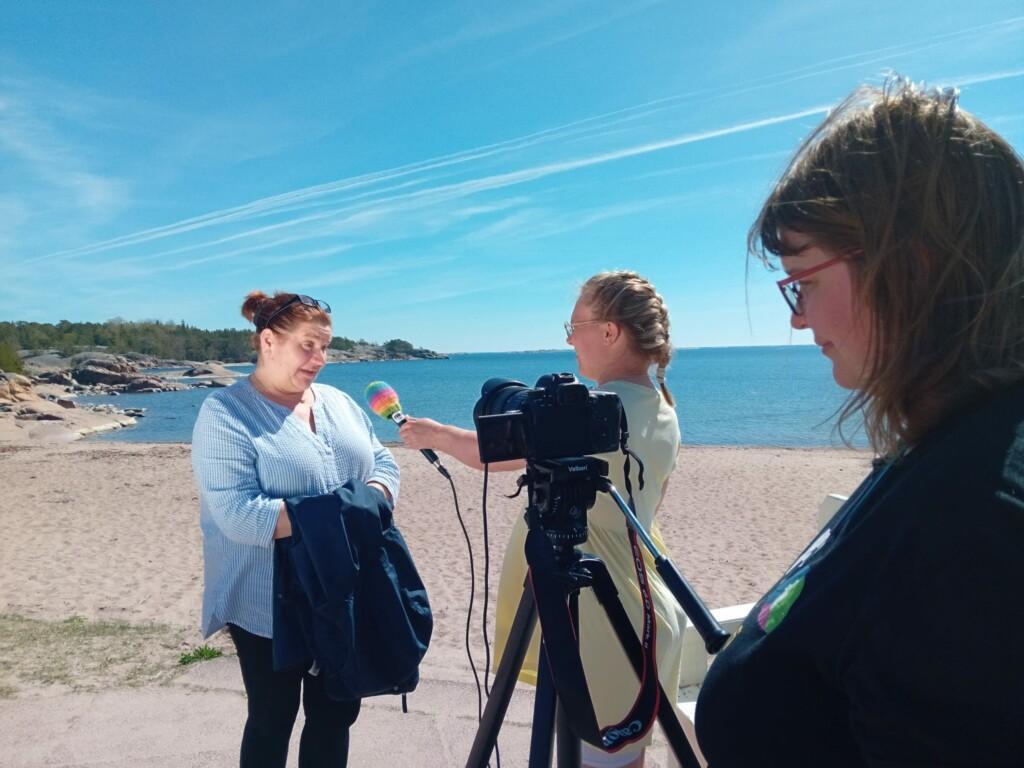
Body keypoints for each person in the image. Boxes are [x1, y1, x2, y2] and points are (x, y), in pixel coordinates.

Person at [695, 78, 1024, 765]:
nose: (797, 316)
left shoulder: (975, 523)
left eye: (805, 282)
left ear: (911, 264)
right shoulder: (950, 447)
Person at [399, 270, 689, 768]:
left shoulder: (598, 412)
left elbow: (490, 453)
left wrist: (438, 434)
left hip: (597, 624)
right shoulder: (657, 405)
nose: (570, 340)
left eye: (574, 326)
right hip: (634, 606)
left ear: (611, 331)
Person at [191, 291, 400, 768]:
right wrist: (350, 512)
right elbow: (240, 515)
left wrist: (376, 497)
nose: (320, 359)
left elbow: (383, 461)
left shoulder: (338, 402)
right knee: (272, 718)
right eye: (308, 345)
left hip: (344, 588)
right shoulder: (225, 412)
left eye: (325, 347)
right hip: (267, 600)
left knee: (337, 711)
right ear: (268, 341)